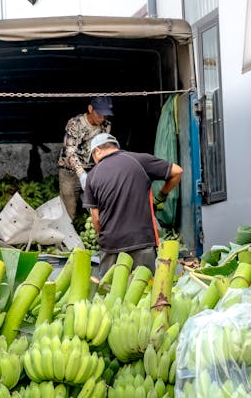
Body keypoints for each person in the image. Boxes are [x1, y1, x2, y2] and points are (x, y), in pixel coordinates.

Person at [83, 133, 183, 274]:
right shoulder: (139, 160)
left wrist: (107, 237)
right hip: (140, 241)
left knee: (109, 292)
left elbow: (96, 218)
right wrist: (161, 196)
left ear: (97, 151)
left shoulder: (92, 175)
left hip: (110, 245)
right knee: (144, 290)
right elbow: (177, 172)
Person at [57, 96, 114, 220]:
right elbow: (70, 151)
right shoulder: (75, 123)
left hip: (93, 171)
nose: (103, 118)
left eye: (106, 115)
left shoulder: (106, 125)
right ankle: (66, 237)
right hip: (70, 172)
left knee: (97, 208)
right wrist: (82, 174)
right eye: (99, 114)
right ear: (90, 109)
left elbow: (104, 149)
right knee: (69, 210)